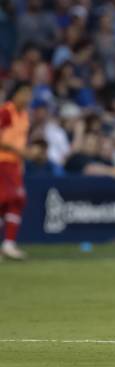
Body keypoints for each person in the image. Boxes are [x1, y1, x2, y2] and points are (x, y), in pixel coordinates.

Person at [0, 82, 32, 260]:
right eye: (25, 93)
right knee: (15, 199)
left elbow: (20, 141)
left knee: (9, 203)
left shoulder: (25, 115)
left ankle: (8, 244)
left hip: (14, 164)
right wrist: (20, 152)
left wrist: (23, 157)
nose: (28, 98)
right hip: (3, 162)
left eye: (30, 94)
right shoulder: (6, 111)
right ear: (16, 94)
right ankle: (9, 244)